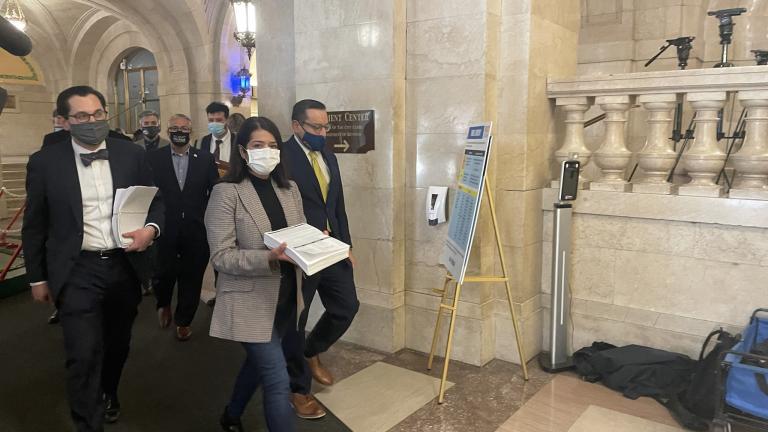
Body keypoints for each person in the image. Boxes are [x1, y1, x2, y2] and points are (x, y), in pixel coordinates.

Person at [22, 85, 163, 431]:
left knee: (118, 342)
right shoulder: (44, 162)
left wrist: (151, 230)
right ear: (64, 121)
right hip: (76, 269)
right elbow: (35, 224)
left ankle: (108, 390)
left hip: (123, 264)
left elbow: (155, 201)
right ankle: (88, 422)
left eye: (98, 114)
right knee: (82, 352)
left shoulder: (130, 154)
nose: (92, 121)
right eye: (82, 116)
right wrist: (37, 278)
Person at [205, 116, 305, 432]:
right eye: (258, 146)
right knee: (277, 378)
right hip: (248, 300)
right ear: (243, 152)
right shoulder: (227, 192)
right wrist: (268, 258)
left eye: (273, 146)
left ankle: (232, 414)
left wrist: (317, 243)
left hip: (286, 297)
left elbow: (300, 233)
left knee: (258, 365)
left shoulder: (290, 189)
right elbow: (221, 257)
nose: (267, 152)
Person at [280, 99, 358, 419]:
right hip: (300, 253)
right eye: (316, 127)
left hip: (332, 249)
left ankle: (312, 351)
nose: (323, 133)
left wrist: (346, 245)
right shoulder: (281, 158)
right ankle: (298, 390)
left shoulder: (328, 153)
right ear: (296, 126)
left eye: (326, 127)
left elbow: (336, 204)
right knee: (297, 320)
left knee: (346, 307)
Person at [147, 114, 217, 341]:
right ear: (168, 132)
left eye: (184, 128)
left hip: (196, 230)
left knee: (192, 277)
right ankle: (164, 303)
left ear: (191, 131)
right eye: (175, 127)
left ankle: (184, 320)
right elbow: (146, 192)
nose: (179, 131)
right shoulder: (153, 159)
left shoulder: (205, 159)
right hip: (164, 228)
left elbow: (215, 192)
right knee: (162, 273)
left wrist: (205, 216)